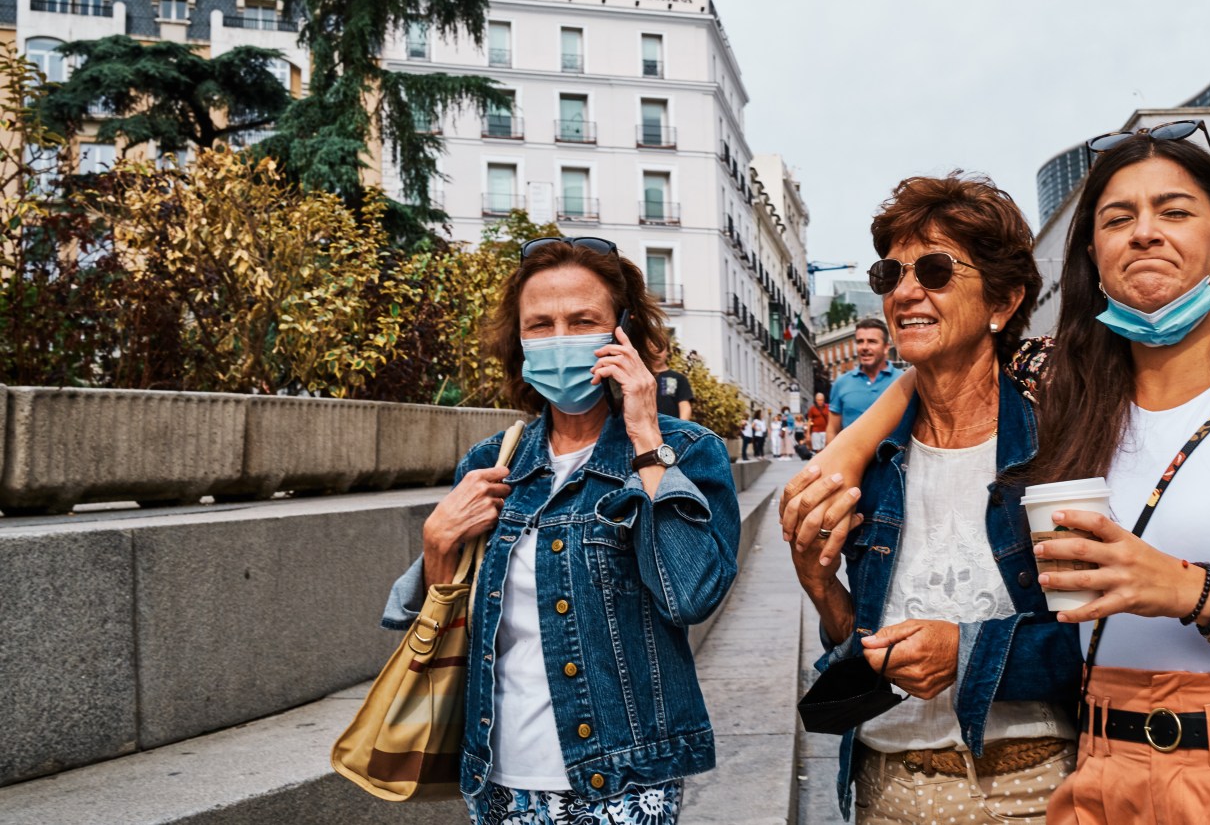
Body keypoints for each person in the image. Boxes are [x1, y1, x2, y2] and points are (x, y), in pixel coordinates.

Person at [788, 127, 1210, 824]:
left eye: (1173, 212)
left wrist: (1187, 588)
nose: (1144, 234)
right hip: (1094, 776)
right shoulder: (1063, 389)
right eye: (1117, 218)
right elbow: (939, 362)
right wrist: (845, 451)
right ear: (1094, 256)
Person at [381, 235, 741, 824]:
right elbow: (453, 623)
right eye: (541, 325)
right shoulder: (492, 461)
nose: (561, 339)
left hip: (623, 780)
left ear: (623, 329)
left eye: (583, 321)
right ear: (519, 341)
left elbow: (691, 595)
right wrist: (436, 545)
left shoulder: (686, 451)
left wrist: (648, 441)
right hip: (496, 775)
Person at [786, 173, 1081, 823]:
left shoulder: (1055, 443)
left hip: (1031, 791)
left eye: (937, 270)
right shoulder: (875, 461)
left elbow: (1098, 645)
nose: (906, 291)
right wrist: (820, 585)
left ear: (1003, 299)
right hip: (885, 789)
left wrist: (966, 654)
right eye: (891, 274)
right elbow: (862, 649)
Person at [826, 318, 900, 442]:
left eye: (872, 342)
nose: (864, 347)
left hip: (894, 460)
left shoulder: (903, 380)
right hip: (851, 459)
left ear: (886, 347)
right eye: (860, 342)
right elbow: (832, 430)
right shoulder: (841, 383)